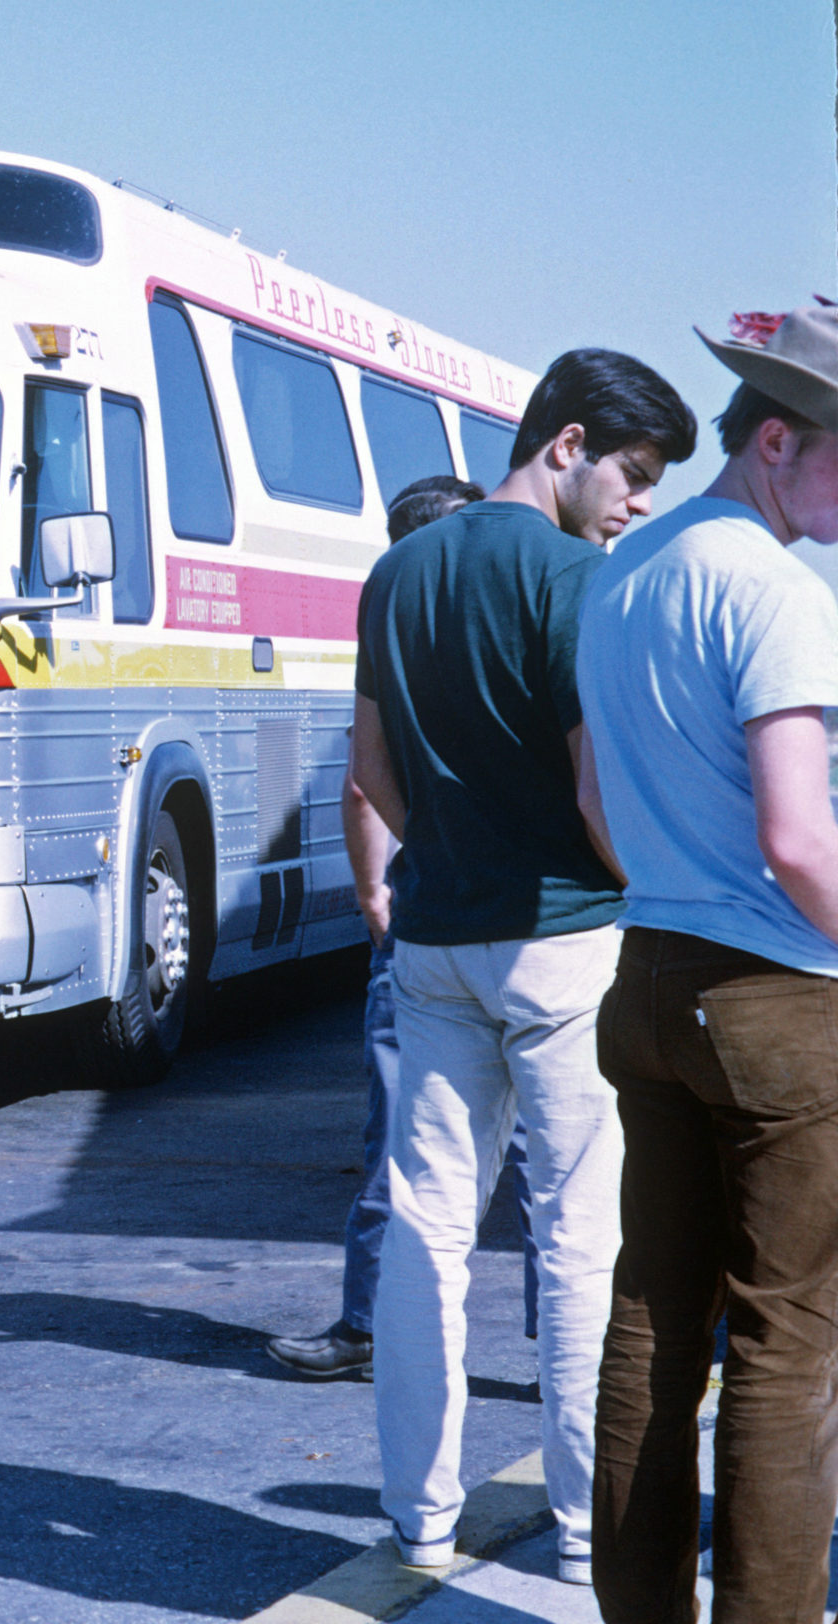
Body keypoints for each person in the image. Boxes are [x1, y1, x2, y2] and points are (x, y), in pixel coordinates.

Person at [351, 349, 697, 1584]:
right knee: (577, 1238)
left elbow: (373, 775)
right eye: (633, 472)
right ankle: (578, 1528)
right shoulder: (575, 578)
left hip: (435, 937)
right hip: (565, 941)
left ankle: (420, 1518)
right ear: (565, 444)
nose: (637, 502)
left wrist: (436, 856)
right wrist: (647, 882)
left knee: (425, 1227)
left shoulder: (394, 573)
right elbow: (599, 786)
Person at [576, 303, 838, 1620]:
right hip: (781, 1000)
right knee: (790, 1344)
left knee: (653, 1323)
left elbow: (600, 804)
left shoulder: (625, 571)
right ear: (778, 439)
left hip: (649, 972)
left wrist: (680, 884)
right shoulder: (778, 592)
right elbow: (801, 838)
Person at [268, 475, 489, 1381]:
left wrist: (376, 894)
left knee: (404, 1133)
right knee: (560, 1159)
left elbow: (364, 780)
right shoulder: (532, 616)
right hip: (547, 924)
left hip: (428, 913)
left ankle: (369, 1327)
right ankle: (572, 1350)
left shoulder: (393, 629)